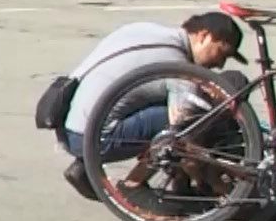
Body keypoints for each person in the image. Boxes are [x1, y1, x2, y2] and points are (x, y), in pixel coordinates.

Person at [53, 13, 248, 198]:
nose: (221, 65)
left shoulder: (145, 30)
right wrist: (212, 177)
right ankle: (133, 187)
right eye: (222, 54)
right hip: (91, 137)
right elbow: (182, 133)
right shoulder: (177, 66)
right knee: (189, 125)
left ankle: (84, 167)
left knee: (160, 100)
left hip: (68, 120)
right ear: (204, 36)